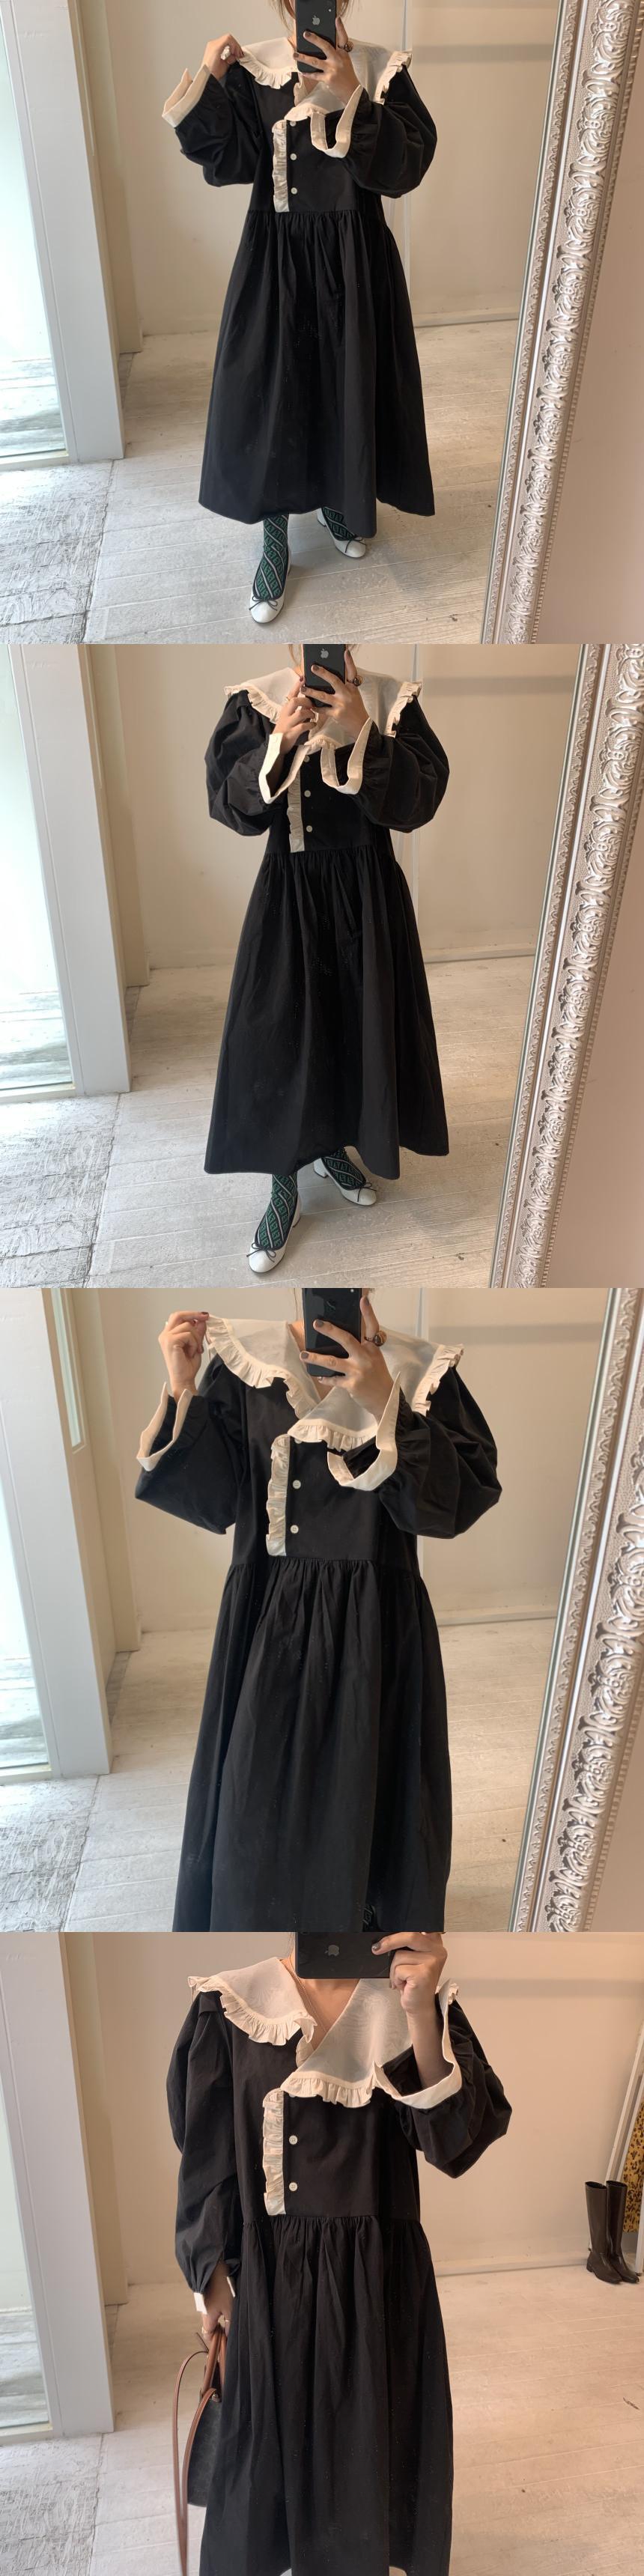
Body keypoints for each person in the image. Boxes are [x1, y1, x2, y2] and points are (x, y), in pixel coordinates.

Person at [136, 1297, 501, 1929]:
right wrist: (182, 1384)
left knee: (370, 1788)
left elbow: (454, 1506)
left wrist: (386, 1400)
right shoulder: (246, 1361)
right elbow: (213, 1501)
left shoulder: (421, 1369)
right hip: (265, 1620)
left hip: (376, 1625)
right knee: (256, 1792)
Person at [168, 1931, 512, 2576]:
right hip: (268, 2282)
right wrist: (210, 2282)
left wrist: (420, 2012)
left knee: (362, 2461)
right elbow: (205, 2161)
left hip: (377, 2281)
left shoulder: (412, 2001)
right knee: (260, 2473)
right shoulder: (231, 2003)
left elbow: (455, 2146)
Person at [162, 7, 437, 618]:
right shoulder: (258, 69)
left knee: (345, 382)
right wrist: (211, 77)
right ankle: (275, 534)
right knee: (276, 394)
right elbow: (229, 163)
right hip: (277, 259)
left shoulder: (379, 68)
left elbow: (405, 169)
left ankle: (339, 496)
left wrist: (352, 93)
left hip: (355, 258)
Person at [203, 651, 449, 1271]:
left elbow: (418, 805)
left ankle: (331, 1144)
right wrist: (281, 741)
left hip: (369, 894)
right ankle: (284, 1182)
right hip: (290, 894)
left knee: (356, 1027)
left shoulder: (391, 699)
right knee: (282, 1039)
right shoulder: (257, 702)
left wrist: (364, 728)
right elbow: (229, 805)